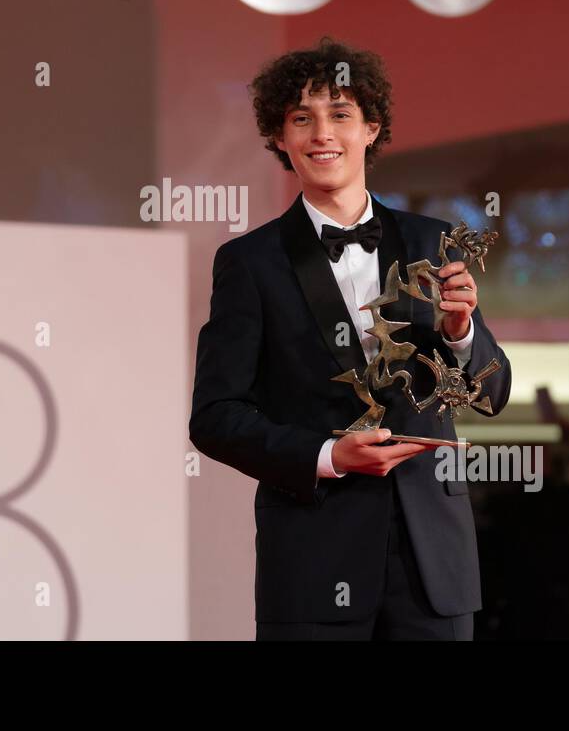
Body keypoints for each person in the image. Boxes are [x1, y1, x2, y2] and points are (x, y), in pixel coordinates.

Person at [189, 38, 512, 640]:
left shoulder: (433, 241)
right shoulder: (249, 263)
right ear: (279, 138)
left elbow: (491, 396)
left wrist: (462, 333)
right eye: (301, 119)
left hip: (433, 569)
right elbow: (214, 416)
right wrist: (327, 456)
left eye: (340, 114)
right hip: (312, 564)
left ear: (371, 129)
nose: (322, 134)